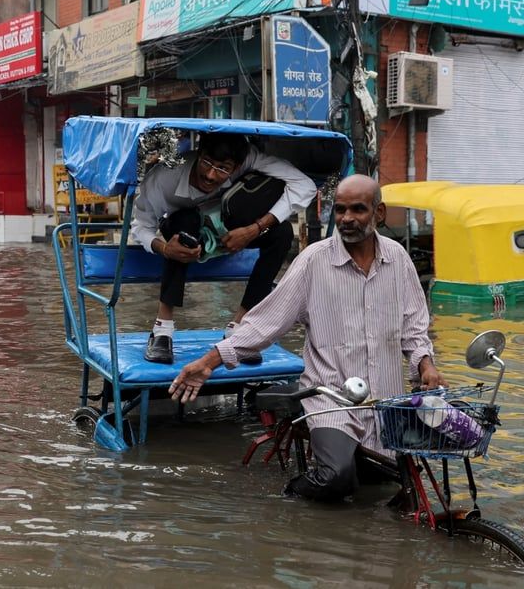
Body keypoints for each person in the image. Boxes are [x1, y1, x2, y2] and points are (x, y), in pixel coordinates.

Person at [169, 175, 445, 502]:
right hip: (330, 398)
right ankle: (291, 500)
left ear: (379, 213)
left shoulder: (397, 259)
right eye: (340, 210)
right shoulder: (314, 261)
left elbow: (414, 327)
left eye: (358, 209)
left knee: (401, 490)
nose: (346, 218)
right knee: (336, 478)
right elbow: (264, 323)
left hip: (384, 401)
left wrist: (426, 367)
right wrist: (208, 362)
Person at [130, 132, 316, 365]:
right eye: (206, 163)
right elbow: (140, 226)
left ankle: (240, 327)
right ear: (199, 154)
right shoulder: (163, 177)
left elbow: (305, 185)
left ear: (237, 166)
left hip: (229, 227)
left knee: (282, 232)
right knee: (184, 227)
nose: (210, 175)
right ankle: (162, 329)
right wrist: (166, 249)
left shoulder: (249, 159)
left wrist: (254, 229)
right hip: (186, 232)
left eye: (222, 168)